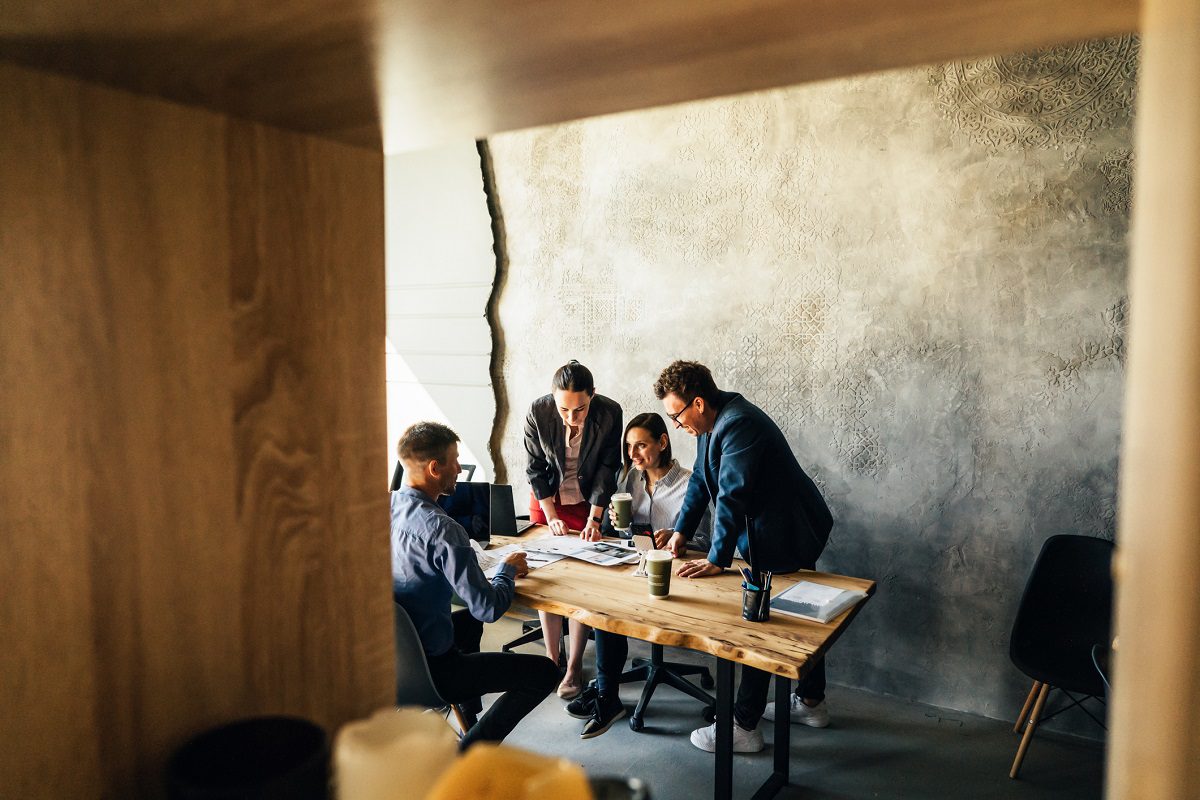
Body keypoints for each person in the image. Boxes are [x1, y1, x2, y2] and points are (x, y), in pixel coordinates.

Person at [653, 360, 834, 754]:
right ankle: (811, 703)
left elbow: (733, 495)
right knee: (794, 614)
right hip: (774, 529)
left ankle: (743, 726)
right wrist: (682, 531)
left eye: (677, 415)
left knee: (760, 622)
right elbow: (702, 478)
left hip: (789, 531)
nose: (677, 425)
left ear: (697, 403)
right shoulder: (711, 423)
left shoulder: (739, 423)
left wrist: (717, 558)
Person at [391, 421, 559, 750]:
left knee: (467, 625)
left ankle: (470, 719)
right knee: (544, 672)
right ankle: (470, 752)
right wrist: (506, 571)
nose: (459, 468)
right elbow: (489, 608)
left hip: (391, 660)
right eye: (455, 460)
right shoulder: (443, 530)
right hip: (434, 672)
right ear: (434, 468)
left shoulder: (382, 507)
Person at [565, 412, 711, 738]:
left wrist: (679, 537)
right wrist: (612, 523)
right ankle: (606, 692)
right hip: (633, 570)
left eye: (641, 445)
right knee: (601, 601)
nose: (633, 455)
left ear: (662, 442)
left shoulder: (690, 484)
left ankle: (605, 694)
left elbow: (707, 544)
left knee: (607, 608)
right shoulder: (631, 479)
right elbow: (624, 534)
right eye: (629, 447)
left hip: (673, 578)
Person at [524, 360, 623, 699]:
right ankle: (552, 659)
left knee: (580, 580)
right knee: (545, 577)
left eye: (579, 409)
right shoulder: (538, 411)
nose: (571, 417)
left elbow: (608, 469)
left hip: (586, 500)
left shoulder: (610, 412)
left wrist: (596, 519)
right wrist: (550, 515)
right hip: (548, 497)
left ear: (592, 396)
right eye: (563, 409)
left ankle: (574, 666)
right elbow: (535, 468)